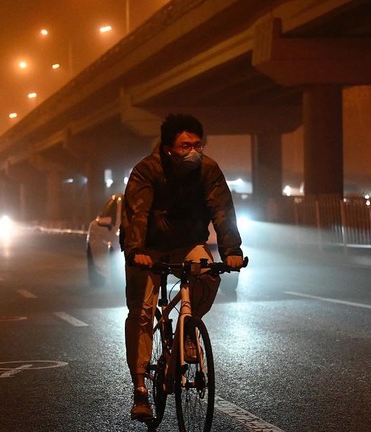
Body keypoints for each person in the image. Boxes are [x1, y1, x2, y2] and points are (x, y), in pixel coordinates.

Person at [120, 113, 244, 421]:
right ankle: (140, 389)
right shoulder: (146, 170)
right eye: (185, 145)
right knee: (142, 313)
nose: (193, 151)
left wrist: (231, 250)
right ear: (167, 148)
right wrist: (135, 250)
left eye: (198, 144)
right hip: (147, 247)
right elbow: (137, 213)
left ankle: (189, 327)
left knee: (207, 273)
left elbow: (222, 209)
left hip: (187, 242)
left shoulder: (209, 169)